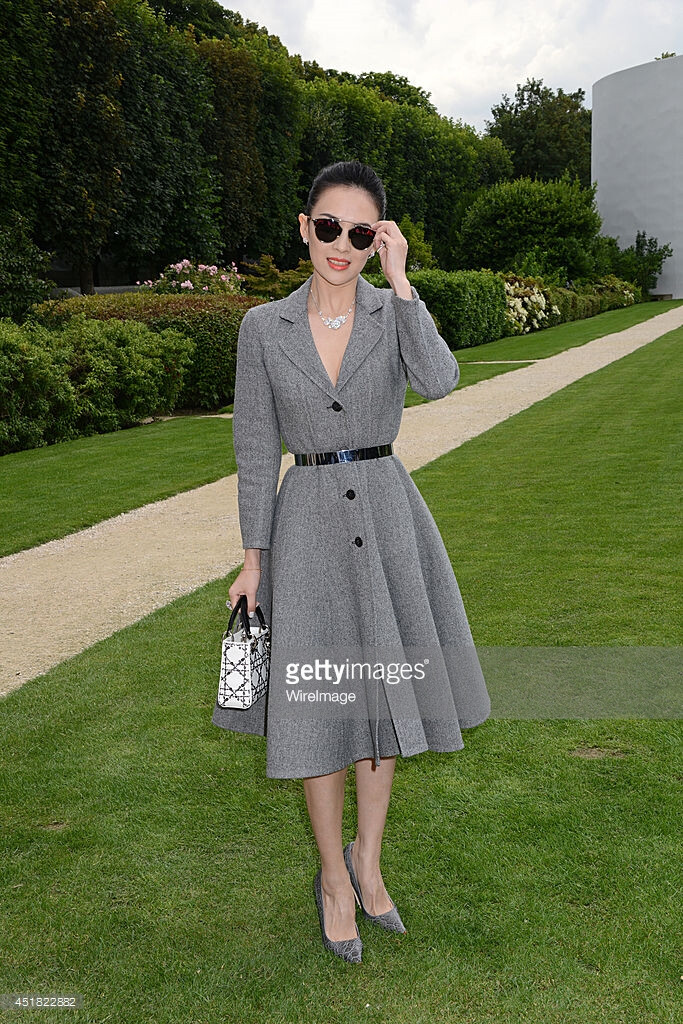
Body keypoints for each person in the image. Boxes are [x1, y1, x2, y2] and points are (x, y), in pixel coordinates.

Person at [212, 160, 491, 963]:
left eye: (360, 232)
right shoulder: (262, 328)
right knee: (319, 704)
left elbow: (439, 380)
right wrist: (252, 559)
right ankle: (332, 877)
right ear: (304, 228)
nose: (341, 244)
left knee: (381, 703)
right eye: (327, 226)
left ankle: (370, 864)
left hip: (387, 516)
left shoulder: (389, 310)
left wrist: (404, 287)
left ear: (379, 239)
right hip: (304, 530)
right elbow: (255, 447)